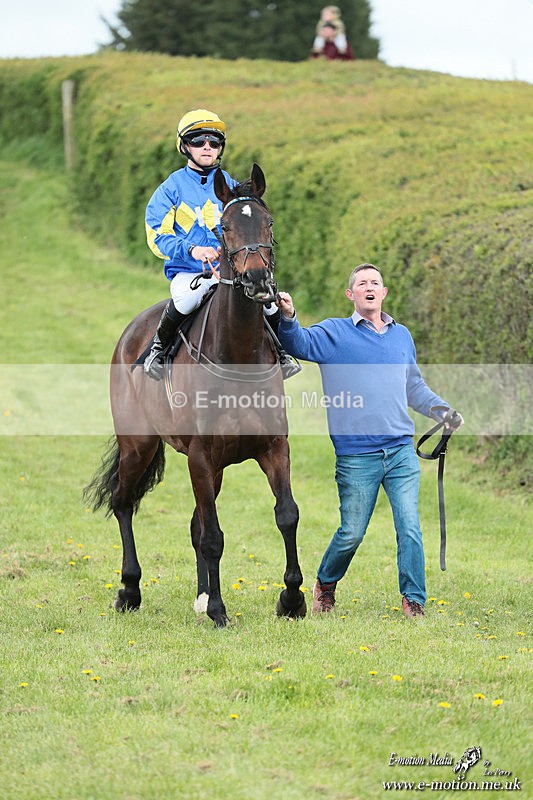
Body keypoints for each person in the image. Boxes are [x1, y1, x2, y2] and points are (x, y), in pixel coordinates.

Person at [276, 263, 463, 618]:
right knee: (352, 533)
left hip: (400, 451)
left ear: (384, 292)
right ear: (352, 295)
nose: (369, 287)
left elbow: (413, 387)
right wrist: (288, 316)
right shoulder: (334, 334)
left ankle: (414, 600)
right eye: (362, 283)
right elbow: (296, 342)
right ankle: (326, 584)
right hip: (356, 456)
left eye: (375, 282)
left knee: (409, 527)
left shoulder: (401, 336)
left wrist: (442, 411)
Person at [143, 108, 284, 380]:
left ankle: (282, 353)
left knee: (269, 302)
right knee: (187, 299)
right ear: (185, 146)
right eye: (198, 141)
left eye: (214, 142)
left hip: (231, 273)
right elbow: (156, 237)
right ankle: (158, 351)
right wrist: (192, 249)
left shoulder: (230, 185)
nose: (207, 147)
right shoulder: (170, 189)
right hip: (190, 272)